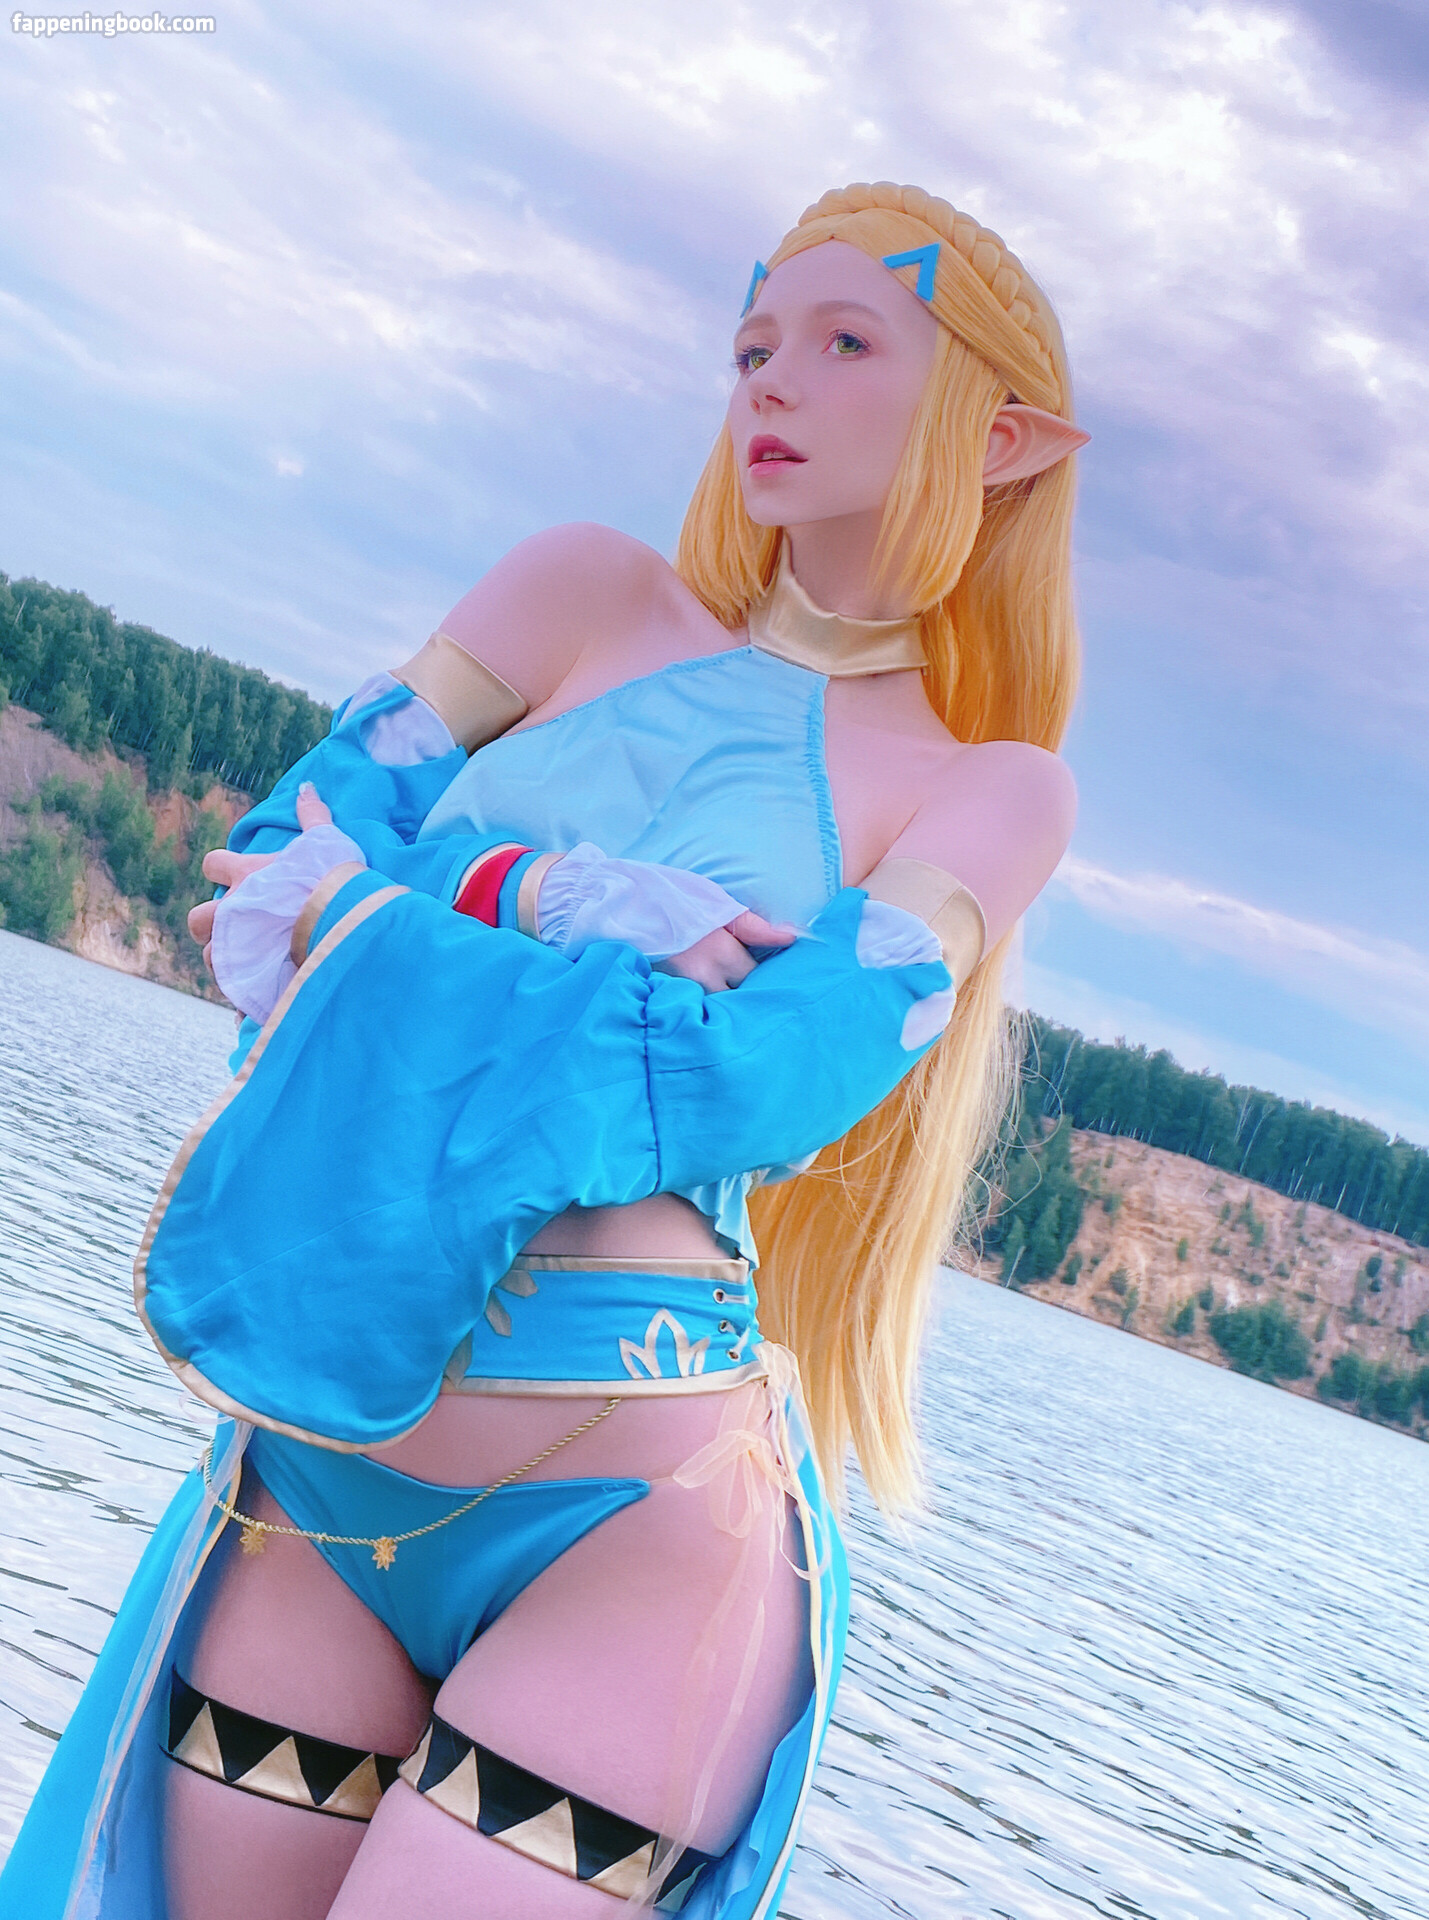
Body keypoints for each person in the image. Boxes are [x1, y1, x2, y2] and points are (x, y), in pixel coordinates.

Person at [0, 182, 1083, 1920]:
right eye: (753, 343)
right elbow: (264, 878)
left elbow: (756, 1080)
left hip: (632, 1529)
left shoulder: (993, 791)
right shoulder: (579, 592)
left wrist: (390, 911)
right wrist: (556, 898)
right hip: (322, 1458)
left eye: (844, 341)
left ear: (1006, 437)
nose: (770, 382)